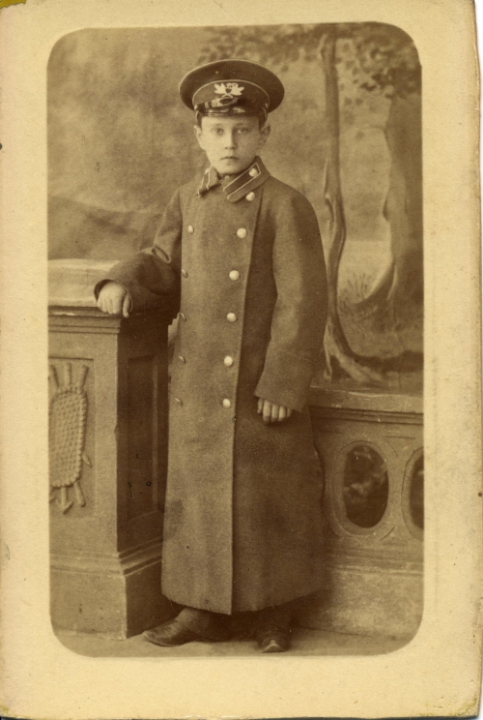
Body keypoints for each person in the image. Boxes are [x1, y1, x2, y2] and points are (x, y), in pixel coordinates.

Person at [96, 58, 328, 653]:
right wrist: (123, 279)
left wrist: (282, 383)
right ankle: (200, 609)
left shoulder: (285, 204)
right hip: (199, 381)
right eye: (218, 131)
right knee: (200, 499)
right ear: (198, 134)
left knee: (266, 501)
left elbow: (303, 303)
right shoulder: (188, 199)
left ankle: (272, 615)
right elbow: (163, 263)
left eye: (242, 131)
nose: (229, 143)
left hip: (258, 385)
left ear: (263, 135)